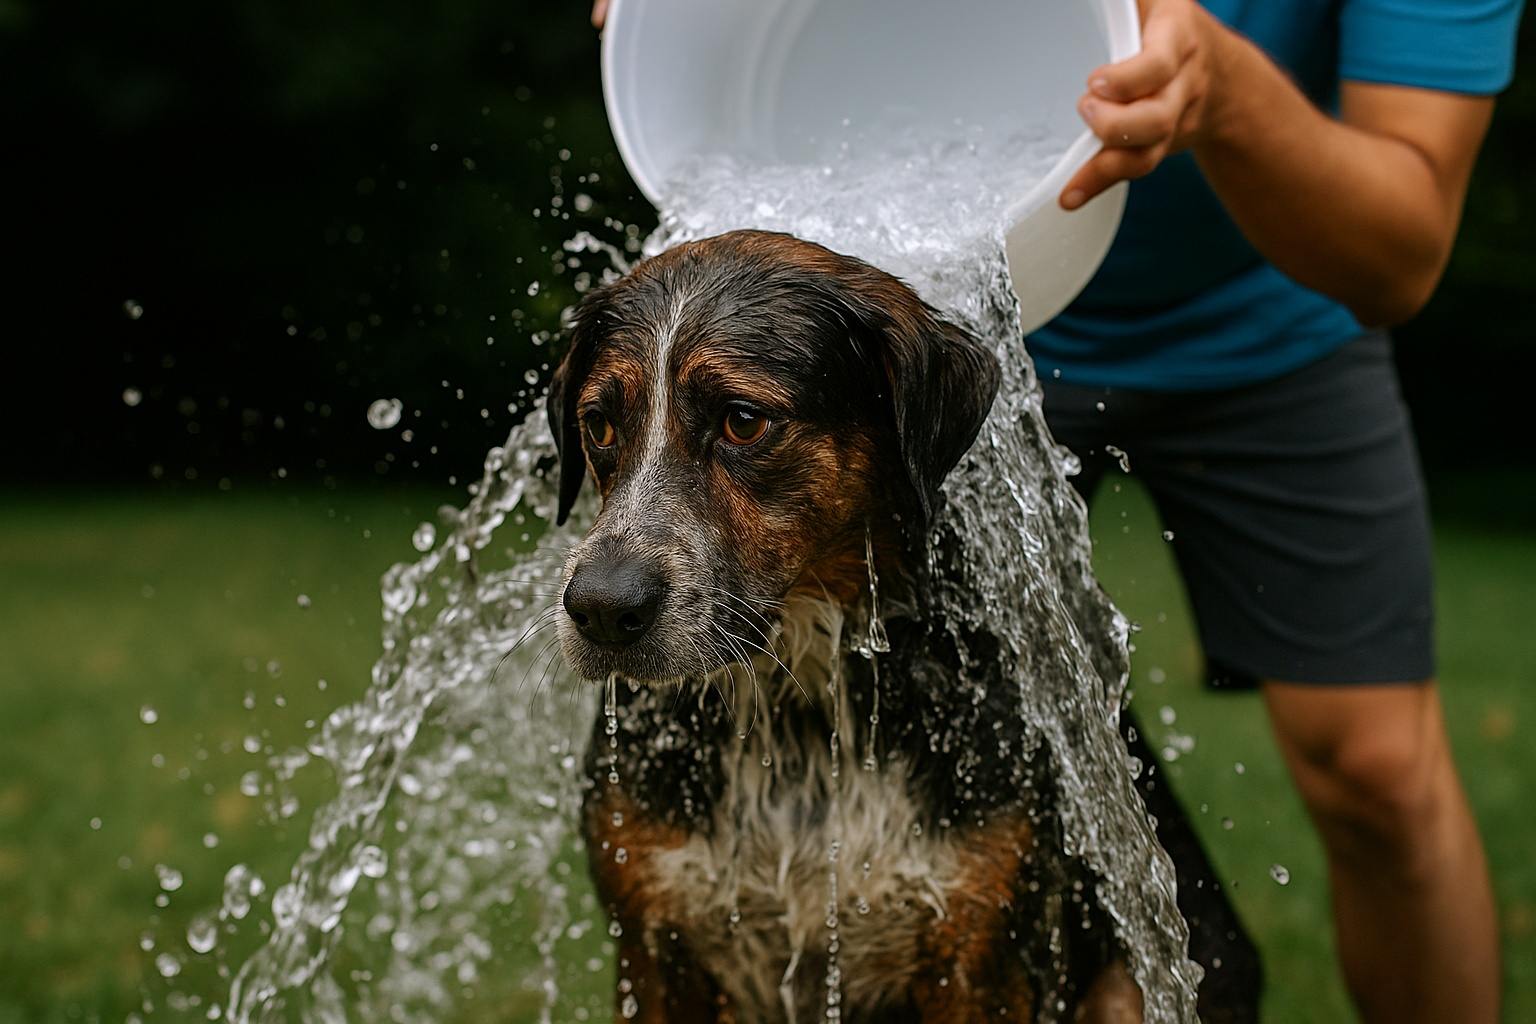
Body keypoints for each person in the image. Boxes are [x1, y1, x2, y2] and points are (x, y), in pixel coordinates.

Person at [591, 1, 1520, 1020]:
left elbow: (1404, 246)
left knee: (1378, 768)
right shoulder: (868, 351)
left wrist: (1222, 81)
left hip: (1275, 309)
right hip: (922, 306)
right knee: (779, 651)